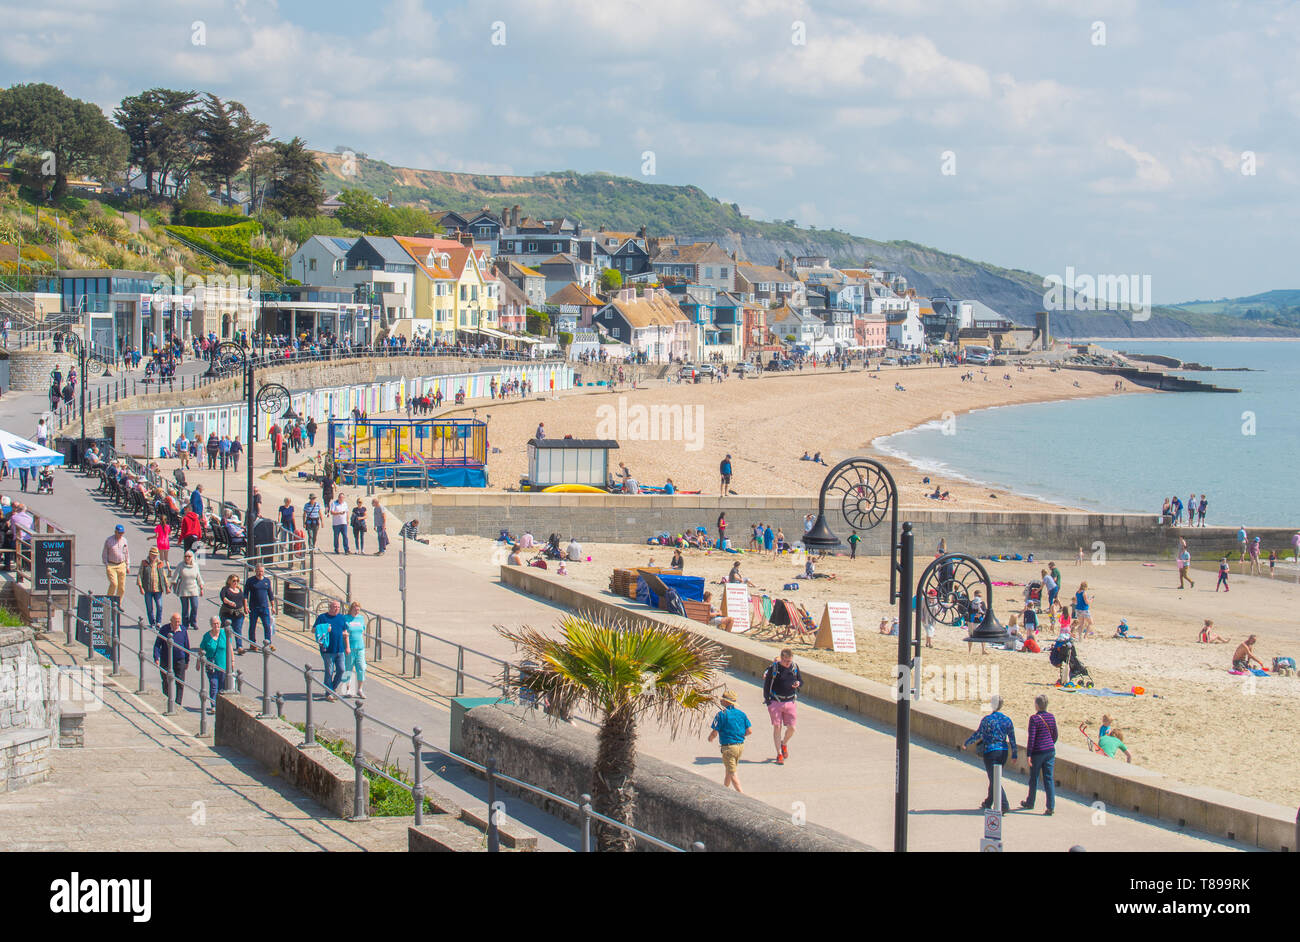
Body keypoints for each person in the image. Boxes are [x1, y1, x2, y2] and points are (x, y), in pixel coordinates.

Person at [959, 694, 1018, 812]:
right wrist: (1014, 754)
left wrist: (967, 742)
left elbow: (978, 734)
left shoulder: (987, 720)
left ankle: (1004, 804)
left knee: (994, 779)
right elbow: (1012, 739)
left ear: (992, 705)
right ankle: (988, 802)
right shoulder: (1007, 720)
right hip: (1003, 752)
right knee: (994, 777)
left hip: (990, 752)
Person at [708, 690, 752, 793]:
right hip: (740, 746)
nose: (721, 702)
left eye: (722, 700)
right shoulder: (742, 714)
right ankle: (724, 789)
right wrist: (739, 735)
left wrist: (710, 738)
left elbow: (715, 732)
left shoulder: (721, 714)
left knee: (732, 772)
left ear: (727, 702)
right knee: (729, 769)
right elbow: (749, 731)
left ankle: (741, 795)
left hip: (728, 747)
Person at [762, 648, 801, 765]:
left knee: (792, 728)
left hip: (790, 701)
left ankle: (784, 743)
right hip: (775, 701)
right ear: (781, 659)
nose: (787, 663)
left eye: (789, 661)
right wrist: (768, 700)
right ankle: (779, 753)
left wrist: (798, 683)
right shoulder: (774, 668)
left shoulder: (794, 667)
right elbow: (767, 685)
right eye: (785, 661)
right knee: (777, 727)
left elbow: (800, 680)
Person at [1020, 694, 1058, 814]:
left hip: (1038, 752)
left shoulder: (1034, 719)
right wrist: (1050, 743)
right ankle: (1050, 807)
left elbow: (1032, 738)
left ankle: (1030, 802)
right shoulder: (1051, 717)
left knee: (1034, 778)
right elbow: (1055, 734)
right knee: (1049, 779)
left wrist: (1029, 754)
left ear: (1037, 705)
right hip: (1050, 751)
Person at [153, 613, 190, 708]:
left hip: (180, 660)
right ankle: (167, 700)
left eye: (179, 621)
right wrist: (156, 657)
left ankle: (178, 704)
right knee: (166, 681)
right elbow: (157, 644)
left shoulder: (183, 630)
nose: (178, 623)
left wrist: (187, 660)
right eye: (176, 621)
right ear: (171, 621)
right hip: (166, 659)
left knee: (180, 682)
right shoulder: (164, 629)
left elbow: (187, 646)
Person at [197, 616, 228, 714]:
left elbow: (229, 647)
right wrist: (198, 662)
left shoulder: (224, 634)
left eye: (218, 623)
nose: (216, 625)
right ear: (211, 625)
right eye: (214, 624)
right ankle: (214, 705)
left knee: (222, 686)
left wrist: (232, 661)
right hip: (211, 665)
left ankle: (221, 704)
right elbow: (201, 649)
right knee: (214, 684)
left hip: (223, 664)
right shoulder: (207, 636)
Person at [245, 562, 276, 653]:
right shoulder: (250, 581)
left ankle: (268, 644)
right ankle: (252, 643)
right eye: (258, 571)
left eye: (262, 571)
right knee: (252, 626)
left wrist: (273, 606)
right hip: (253, 607)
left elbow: (270, 594)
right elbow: (245, 594)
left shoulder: (267, 581)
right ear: (255, 571)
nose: (260, 573)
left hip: (264, 607)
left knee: (267, 626)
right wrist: (246, 606)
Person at [136, 547, 170, 629]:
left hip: (158, 589)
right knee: (149, 607)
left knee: (159, 606)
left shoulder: (160, 563)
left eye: (155, 555)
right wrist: (140, 587)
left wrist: (167, 587)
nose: (154, 556)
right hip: (148, 589)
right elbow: (140, 575)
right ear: (149, 554)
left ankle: (158, 622)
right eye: (152, 555)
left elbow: (164, 575)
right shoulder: (144, 563)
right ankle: (152, 622)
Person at [172, 551, 205, 629]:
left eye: (189, 556)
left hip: (193, 589)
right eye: (186, 556)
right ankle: (185, 624)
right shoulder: (181, 565)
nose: (187, 558)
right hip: (183, 589)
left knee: (195, 606)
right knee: (185, 608)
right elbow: (175, 576)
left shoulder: (195, 566)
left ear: (192, 557)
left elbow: (198, 577)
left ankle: (193, 622)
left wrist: (201, 587)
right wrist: (171, 585)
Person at [343, 601, 367, 698]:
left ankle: (360, 689)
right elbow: (344, 632)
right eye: (355, 609)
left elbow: (362, 630)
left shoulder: (361, 618)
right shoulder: (346, 618)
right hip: (350, 647)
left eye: (358, 610)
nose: (357, 611)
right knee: (348, 668)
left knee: (361, 668)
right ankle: (347, 689)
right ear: (351, 609)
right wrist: (347, 646)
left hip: (360, 647)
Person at [102, 524, 130, 603]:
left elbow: (127, 553)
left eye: (122, 533)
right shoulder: (109, 540)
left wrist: (128, 565)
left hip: (121, 564)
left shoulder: (124, 540)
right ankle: (108, 601)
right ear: (115, 532)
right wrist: (106, 564)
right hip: (111, 565)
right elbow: (104, 553)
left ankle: (118, 603)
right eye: (119, 533)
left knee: (121, 587)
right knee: (114, 584)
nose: (121, 535)